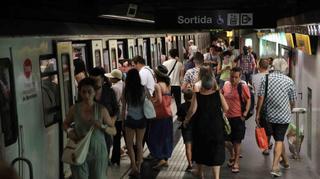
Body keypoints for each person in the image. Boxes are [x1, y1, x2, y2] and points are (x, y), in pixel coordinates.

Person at [63, 77, 115, 179]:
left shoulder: (101, 110)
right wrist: (69, 131)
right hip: (79, 149)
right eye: (83, 92)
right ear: (80, 93)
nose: (86, 95)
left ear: (95, 92)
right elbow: (65, 124)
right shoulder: (74, 109)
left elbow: (113, 131)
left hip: (98, 152)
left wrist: (102, 126)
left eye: (89, 92)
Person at [183, 65, 229, 179]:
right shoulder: (218, 94)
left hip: (201, 127)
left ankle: (200, 173)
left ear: (203, 84)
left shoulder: (198, 95)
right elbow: (226, 108)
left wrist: (186, 120)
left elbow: (192, 110)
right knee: (216, 151)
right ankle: (216, 177)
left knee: (201, 149)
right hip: (216, 127)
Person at [255, 59, 297, 177]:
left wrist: (258, 114)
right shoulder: (289, 81)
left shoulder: (266, 78)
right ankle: (275, 166)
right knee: (279, 140)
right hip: (283, 117)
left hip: (268, 116)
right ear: (284, 68)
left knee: (277, 139)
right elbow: (293, 101)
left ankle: (285, 162)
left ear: (272, 66)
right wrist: (290, 109)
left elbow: (260, 98)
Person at [221, 67, 251, 173]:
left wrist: (245, 113)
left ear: (240, 77)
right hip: (226, 118)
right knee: (225, 140)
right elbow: (222, 96)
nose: (233, 79)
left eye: (236, 77)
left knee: (237, 141)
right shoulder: (226, 85)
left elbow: (248, 100)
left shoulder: (242, 87)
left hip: (238, 118)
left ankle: (236, 162)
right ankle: (233, 154)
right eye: (232, 77)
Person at [89, 67, 119, 164]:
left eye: (96, 80)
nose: (93, 83)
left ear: (102, 79)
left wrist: (112, 121)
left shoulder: (109, 92)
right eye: (91, 80)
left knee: (103, 156)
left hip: (105, 130)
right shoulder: (86, 92)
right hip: (91, 131)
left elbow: (116, 110)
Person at [121, 68, 147, 177]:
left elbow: (123, 108)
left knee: (130, 145)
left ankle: (133, 166)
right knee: (140, 144)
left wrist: (123, 121)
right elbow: (149, 101)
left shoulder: (126, 90)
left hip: (130, 119)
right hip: (142, 119)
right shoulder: (143, 89)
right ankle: (139, 166)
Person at [148, 65, 173, 170]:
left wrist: (150, 101)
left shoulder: (157, 85)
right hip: (168, 113)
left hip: (159, 115)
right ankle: (165, 158)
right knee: (166, 137)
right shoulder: (168, 85)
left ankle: (160, 158)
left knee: (154, 137)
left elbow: (159, 100)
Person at [252, 59, 273, 155]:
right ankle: (267, 144)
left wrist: (257, 112)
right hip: (270, 105)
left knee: (262, 126)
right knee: (268, 126)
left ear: (259, 66)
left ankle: (265, 146)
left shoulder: (254, 77)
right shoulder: (272, 77)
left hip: (259, 105)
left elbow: (256, 91)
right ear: (268, 67)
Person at [106, 69, 124, 166]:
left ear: (114, 79)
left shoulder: (114, 88)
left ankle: (115, 158)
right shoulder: (123, 84)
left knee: (116, 138)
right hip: (125, 115)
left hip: (117, 115)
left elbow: (114, 103)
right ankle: (116, 157)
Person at [176, 89, 193, 172]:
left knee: (188, 147)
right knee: (195, 145)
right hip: (195, 129)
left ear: (184, 97)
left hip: (186, 129)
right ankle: (195, 161)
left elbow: (179, 119)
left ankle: (190, 164)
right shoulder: (196, 105)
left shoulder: (182, 106)